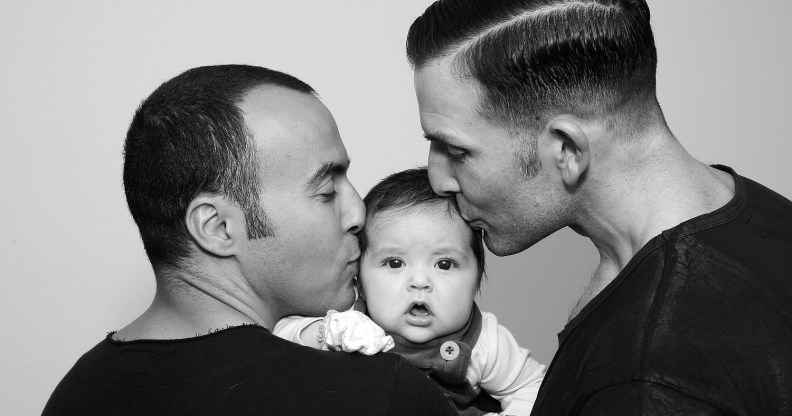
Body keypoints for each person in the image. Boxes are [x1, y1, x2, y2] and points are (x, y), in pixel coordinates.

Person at [406, 1, 792, 415]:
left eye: (457, 151)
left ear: (567, 150)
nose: (438, 180)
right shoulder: (763, 217)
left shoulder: (646, 373)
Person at [42, 65, 456, 416]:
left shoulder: (75, 394)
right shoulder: (378, 396)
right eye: (327, 191)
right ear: (217, 228)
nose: (358, 213)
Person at [275, 167, 546, 415]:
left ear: (477, 279)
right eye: (395, 263)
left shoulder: (486, 341)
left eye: (444, 264)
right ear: (359, 280)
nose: (419, 281)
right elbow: (277, 337)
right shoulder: (352, 324)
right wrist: (325, 333)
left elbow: (533, 388)